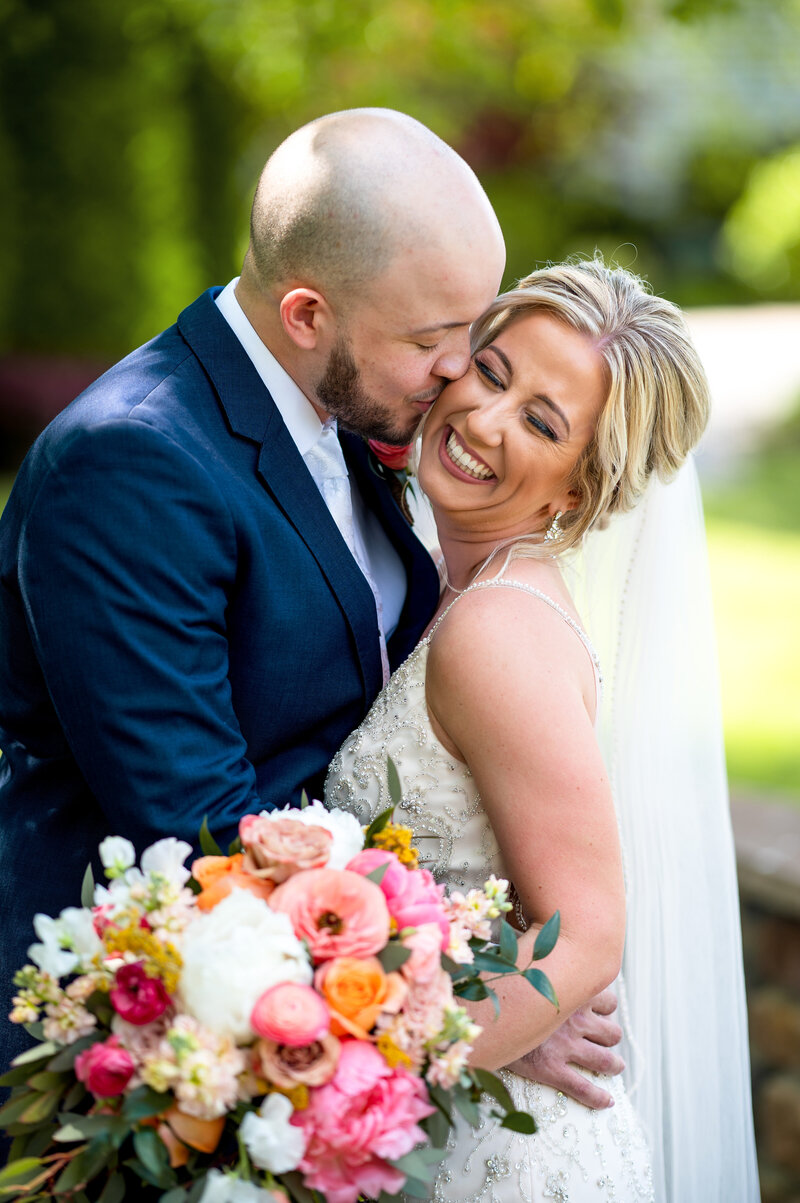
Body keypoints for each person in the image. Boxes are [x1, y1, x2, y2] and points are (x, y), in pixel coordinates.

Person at [0, 110, 618, 1104]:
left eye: (473, 327)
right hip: (141, 1071)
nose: (459, 371)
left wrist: (486, 1010)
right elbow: (204, 838)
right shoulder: (130, 466)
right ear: (305, 316)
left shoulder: (349, 413)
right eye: (431, 338)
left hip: (299, 1036)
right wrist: (455, 1019)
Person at [325, 257, 759, 1201]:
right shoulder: (439, 577)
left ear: (579, 491)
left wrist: (346, 1070)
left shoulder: (496, 631)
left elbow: (588, 934)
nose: (483, 420)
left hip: (499, 1154)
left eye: (541, 422)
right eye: (493, 371)